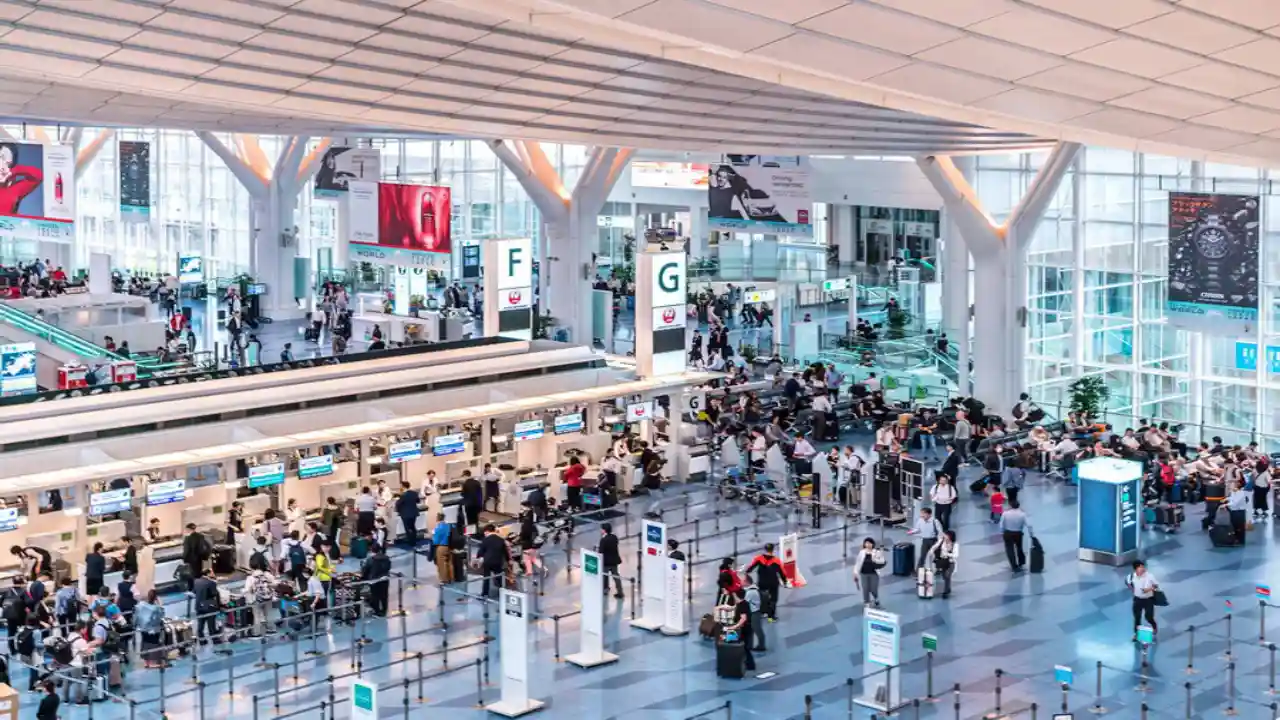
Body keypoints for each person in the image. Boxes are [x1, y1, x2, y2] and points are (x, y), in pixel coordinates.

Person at [743, 544, 785, 622]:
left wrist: (746, 572)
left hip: (762, 582)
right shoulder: (777, 560)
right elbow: (782, 573)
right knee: (773, 599)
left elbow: (750, 568)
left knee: (761, 597)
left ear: (765, 550)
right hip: (773, 582)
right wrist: (785, 581)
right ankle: (771, 617)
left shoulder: (758, 558)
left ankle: (762, 613)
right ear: (773, 550)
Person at [719, 588, 756, 672]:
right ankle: (747, 663)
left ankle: (750, 664)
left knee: (744, 647)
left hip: (744, 630)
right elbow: (733, 608)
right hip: (744, 629)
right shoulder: (741, 603)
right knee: (744, 647)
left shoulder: (742, 605)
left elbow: (743, 619)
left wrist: (733, 627)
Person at [1126, 560, 1161, 642]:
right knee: (1137, 617)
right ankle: (1136, 634)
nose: (1143, 568)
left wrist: (1149, 589)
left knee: (1148, 616)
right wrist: (1134, 590)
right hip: (1137, 599)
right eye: (1140, 567)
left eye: (1143, 566)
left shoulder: (1150, 576)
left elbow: (1156, 585)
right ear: (1136, 569)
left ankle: (1154, 626)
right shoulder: (1131, 576)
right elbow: (1128, 583)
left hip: (1148, 600)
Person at [134, 589, 166, 668]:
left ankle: (146, 662)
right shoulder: (156, 608)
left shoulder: (141, 605)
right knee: (153, 644)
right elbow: (160, 616)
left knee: (144, 643)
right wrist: (160, 605)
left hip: (142, 628)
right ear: (155, 598)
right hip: (152, 630)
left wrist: (135, 625)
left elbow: (136, 616)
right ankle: (153, 662)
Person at [1000, 500, 1032, 572]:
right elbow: (1029, 525)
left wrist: (1002, 532)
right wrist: (1031, 534)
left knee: (1009, 549)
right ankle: (1021, 562)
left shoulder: (1005, 513)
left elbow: (1001, 524)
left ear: (1011, 506)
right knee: (1019, 548)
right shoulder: (1022, 514)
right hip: (1018, 533)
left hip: (1008, 533)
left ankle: (1014, 565)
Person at [926, 530, 959, 599]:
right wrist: (931, 551)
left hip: (951, 563)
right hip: (943, 561)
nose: (944, 536)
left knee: (947, 575)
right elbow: (935, 546)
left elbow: (956, 555)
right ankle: (948, 588)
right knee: (945, 577)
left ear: (950, 537)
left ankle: (946, 592)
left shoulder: (955, 545)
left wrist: (947, 554)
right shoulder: (941, 541)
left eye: (946, 535)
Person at [478, 525, 508, 599]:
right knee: (499, 577)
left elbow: (481, 551)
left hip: (487, 561)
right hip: (497, 561)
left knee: (486, 578)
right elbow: (505, 551)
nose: (484, 534)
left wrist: (478, 559)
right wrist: (508, 560)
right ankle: (503, 592)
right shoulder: (501, 540)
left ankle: (485, 594)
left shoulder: (485, 540)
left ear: (487, 531)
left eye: (485, 532)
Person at [361, 544, 392, 617]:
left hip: (374, 581)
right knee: (384, 596)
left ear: (372, 550)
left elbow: (365, 570)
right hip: (385, 579)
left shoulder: (370, 560)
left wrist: (364, 576)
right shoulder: (387, 558)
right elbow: (388, 567)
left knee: (375, 596)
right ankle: (384, 610)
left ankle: (377, 611)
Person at [853, 538, 885, 607]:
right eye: (866, 543)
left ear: (872, 544)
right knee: (865, 588)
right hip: (864, 573)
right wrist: (855, 573)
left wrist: (875, 560)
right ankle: (867, 603)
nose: (868, 545)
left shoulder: (877, 552)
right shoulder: (861, 552)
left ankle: (876, 598)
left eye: (869, 543)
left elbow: (882, 561)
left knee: (873, 588)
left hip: (874, 573)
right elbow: (858, 563)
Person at [192, 568, 220, 644]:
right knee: (211, 625)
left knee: (200, 625)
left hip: (198, 606)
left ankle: (201, 641)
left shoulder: (196, 581)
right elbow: (214, 594)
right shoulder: (211, 583)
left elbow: (194, 592)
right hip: (209, 606)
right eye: (212, 572)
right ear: (208, 574)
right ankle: (215, 640)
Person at [598, 522, 623, 599]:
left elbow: (601, 551)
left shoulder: (603, 540)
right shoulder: (614, 537)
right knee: (616, 576)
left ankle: (605, 589)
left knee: (605, 575)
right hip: (614, 560)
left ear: (604, 530)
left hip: (606, 562)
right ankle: (620, 591)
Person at [182, 523, 210, 591]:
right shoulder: (201, 536)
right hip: (203, 559)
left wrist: (184, 559)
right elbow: (208, 546)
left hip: (194, 560)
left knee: (194, 576)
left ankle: (194, 590)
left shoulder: (188, 538)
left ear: (188, 529)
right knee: (203, 575)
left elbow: (186, 551)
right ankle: (204, 589)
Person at [395, 480, 421, 546]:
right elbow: (418, 501)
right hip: (414, 513)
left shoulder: (403, 495)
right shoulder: (414, 493)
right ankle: (414, 541)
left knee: (407, 529)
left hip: (405, 514)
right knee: (413, 527)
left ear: (403, 487)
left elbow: (398, 504)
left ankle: (410, 542)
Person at [431, 513, 454, 584]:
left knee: (441, 564)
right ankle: (451, 578)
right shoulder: (449, 526)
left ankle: (444, 579)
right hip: (450, 546)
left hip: (442, 547)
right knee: (449, 562)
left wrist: (432, 536)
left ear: (437, 519)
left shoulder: (438, 528)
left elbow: (435, 541)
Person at [1227, 481, 1250, 545]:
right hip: (1234, 511)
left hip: (1239, 512)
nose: (1230, 486)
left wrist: (1226, 505)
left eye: (1231, 485)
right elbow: (1232, 498)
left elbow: (1235, 502)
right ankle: (1235, 539)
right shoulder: (1233, 492)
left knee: (1239, 527)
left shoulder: (1241, 493)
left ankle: (1240, 541)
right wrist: (1226, 499)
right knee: (1234, 526)